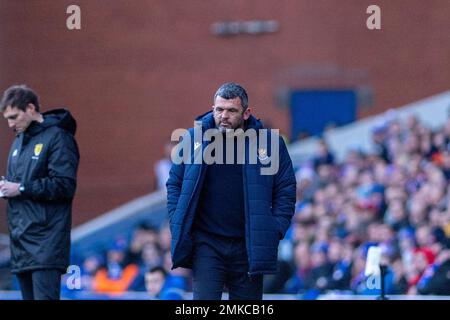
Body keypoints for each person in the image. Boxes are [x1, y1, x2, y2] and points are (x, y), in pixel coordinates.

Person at [166, 82, 296, 300]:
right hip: (207, 244)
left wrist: (275, 229)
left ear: (246, 113)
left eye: (231, 110)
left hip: (249, 246)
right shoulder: (193, 138)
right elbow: (174, 184)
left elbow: (286, 189)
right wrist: (176, 219)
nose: (223, 116)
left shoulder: (270, 144)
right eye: (219, 109)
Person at [0, 84, 80, 300]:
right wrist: (7, 187)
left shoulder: (59, 138)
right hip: (21, 242)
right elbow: (18, 185)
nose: (10, 124)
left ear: (31, 108)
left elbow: (65, 185)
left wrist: (22, 188)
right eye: (7, 118)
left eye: (14, 117)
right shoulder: (19, 142)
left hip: (46, 241)